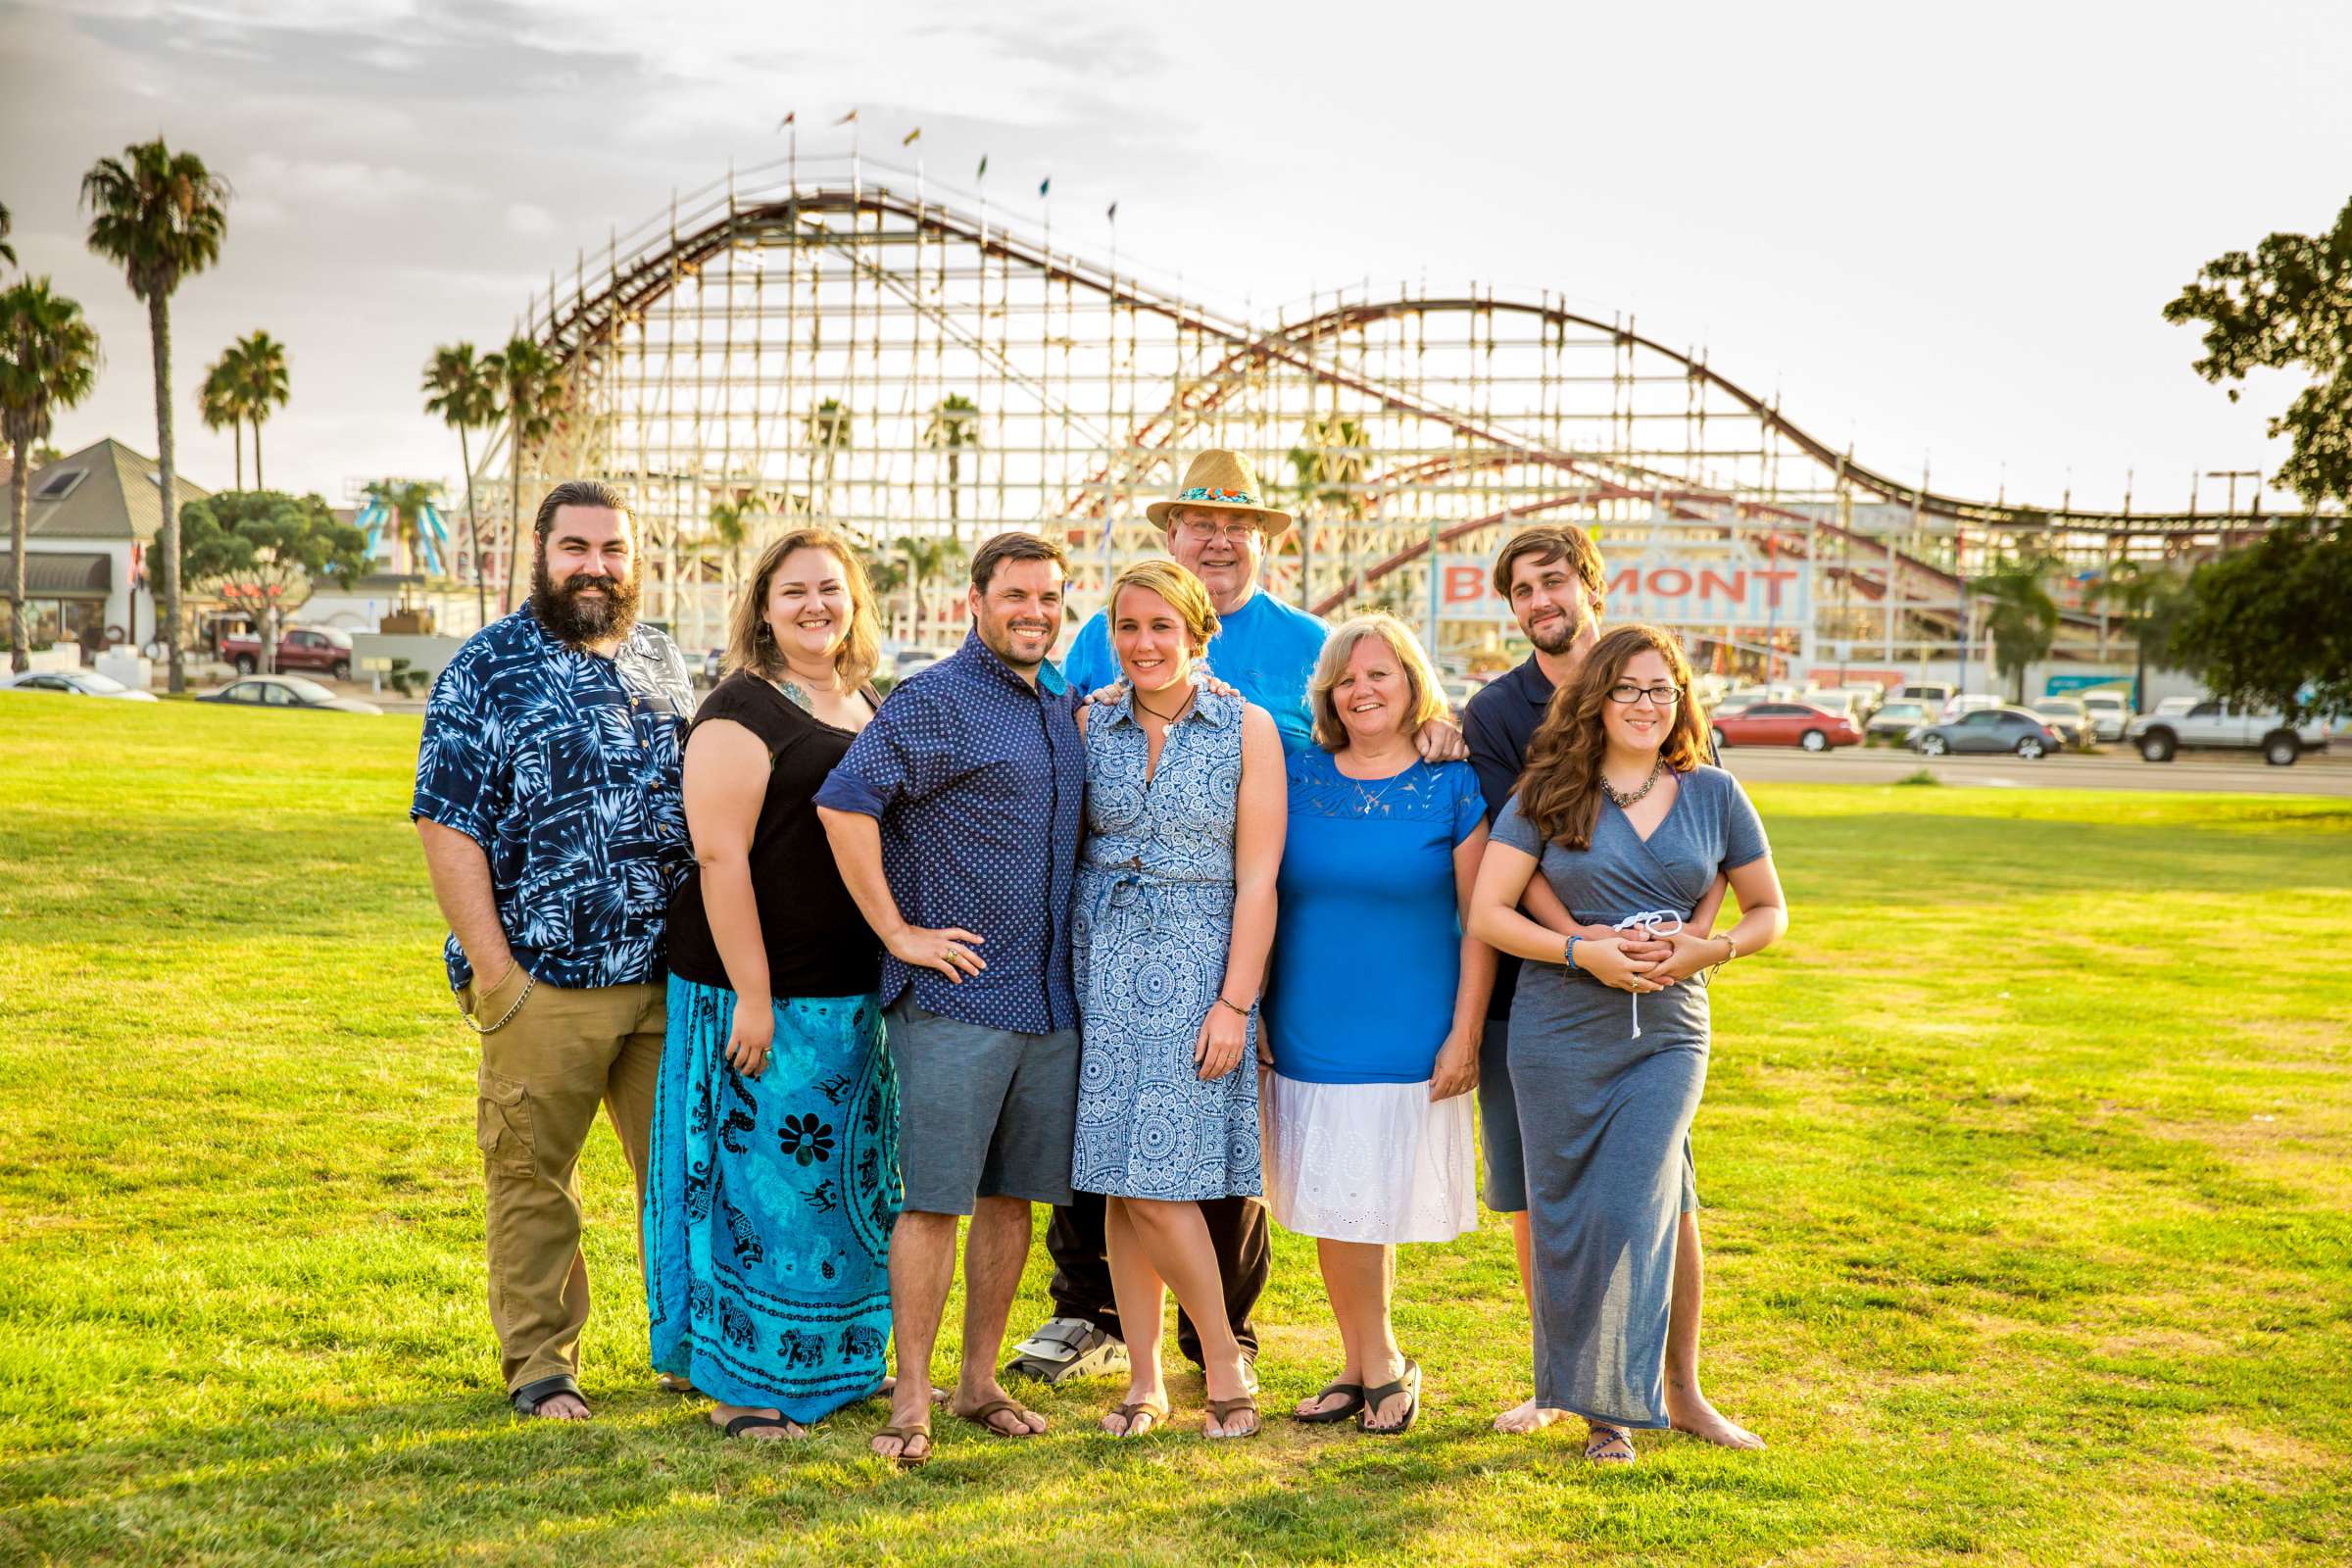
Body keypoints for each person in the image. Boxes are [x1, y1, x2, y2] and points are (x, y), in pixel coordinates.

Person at [1021, 448, 1467, 1390]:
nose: (1220, 540)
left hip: (1263, 906)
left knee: (1225, 1125)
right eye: (1199, 524)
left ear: (1261, 544)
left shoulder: (1311, 639)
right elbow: (1063, 745)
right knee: (1100, 1125)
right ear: (1170, 537)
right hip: (1111, 920)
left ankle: (1222, 1333)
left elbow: (1371, 715)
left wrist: (1436, 726)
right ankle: (1088, 1310)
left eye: (1240, 528)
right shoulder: (1106, 640)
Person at [411, 479, 698, 1422]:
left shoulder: (660, 659)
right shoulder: (485, 667)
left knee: (684, 1176)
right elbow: (448, 824)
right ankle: (542, 1366)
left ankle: (690, 1350)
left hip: (668, 977)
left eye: (613, 549)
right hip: (547, 979)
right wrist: (497, 971)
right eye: (576, 547)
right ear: (540, 553)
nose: (596, 567)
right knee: (536, 1180)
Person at [1468, 624, 1787, 1465]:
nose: (1647, 705)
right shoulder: (1547, 793)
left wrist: (1707, 949)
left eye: (1663, 689)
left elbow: (1769, 911)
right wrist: (1585, 952)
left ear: (1681, 700)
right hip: (1558, 1026)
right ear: (1597, 699)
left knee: (1633, 1204)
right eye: (1629, 689)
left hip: (1670, 1033)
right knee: (1566, 1211)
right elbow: (1489, 912)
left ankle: (1645, 1401)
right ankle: (1597, 1408)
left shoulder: (1715, 793)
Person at [813, 531, 1086, 1466]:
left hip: (1048, 1002)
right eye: (1017, 596)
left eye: (1050, 598)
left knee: (1013, 1199)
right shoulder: (937, 699)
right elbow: (844, 803)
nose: (1035, 613)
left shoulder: (1059, 702)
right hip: (954, 1002)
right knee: (933, 1201)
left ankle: (978, 1382)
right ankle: (913, 1400)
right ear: (975, 600)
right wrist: (897, 933)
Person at [644, 528, 898, 1441]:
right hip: (761, 994)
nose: (815, 606)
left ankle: (840, 1366)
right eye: (793, 592)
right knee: (755, 1197)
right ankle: (744, 1385)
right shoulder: (738, 712)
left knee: (840, 1193)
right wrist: (752, 993)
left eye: (831, 590)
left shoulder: (863, 699)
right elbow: (721, 858)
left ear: (854, 602)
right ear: (761, 607)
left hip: (847, 997)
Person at [1261, 613, 1494, 1435]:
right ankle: (1369, 1365)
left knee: (1368, 1197)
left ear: (1412, 686)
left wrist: (1465, 1033)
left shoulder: (1454, 785)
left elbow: (1480, 921)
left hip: (1411, 1028)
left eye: (1381, 675)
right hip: (1309, 1022)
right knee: (1334, 1197)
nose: (1362, 691)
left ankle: (1379, 1359)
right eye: (1347, 679)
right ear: (1327, 694)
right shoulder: (1296, 773)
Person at [1069, 560, 1285, 1441]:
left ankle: (1223, 1355)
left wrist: (1235, 1002)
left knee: (1165, 1180)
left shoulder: (1248, 728)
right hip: (1100, 960)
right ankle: (1147, 1379)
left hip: (1199, 964)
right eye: (1128, 627)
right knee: (1122, 1182)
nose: (1144, 644)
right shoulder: (1091, 722)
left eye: (1163, 626)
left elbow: (1261, 879)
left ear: (1198, 633)